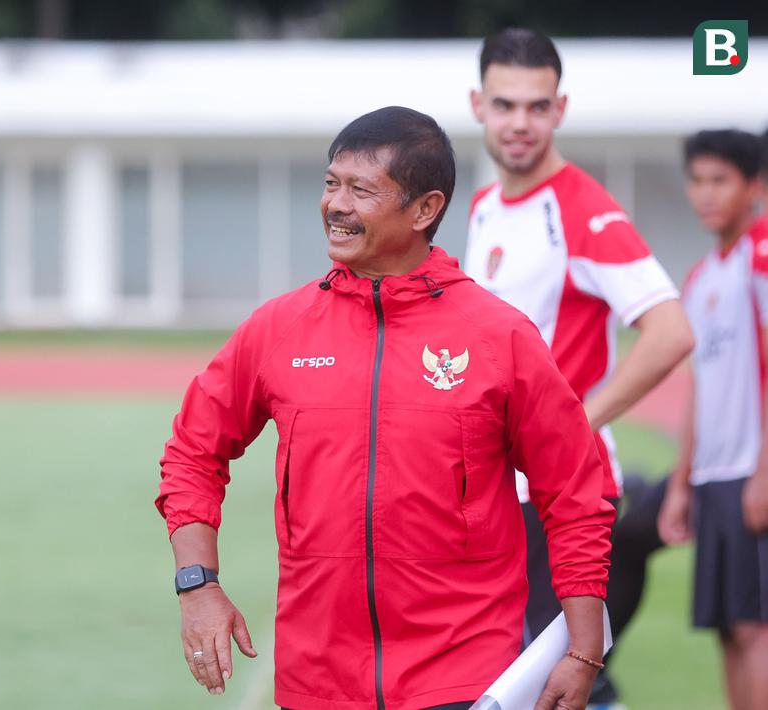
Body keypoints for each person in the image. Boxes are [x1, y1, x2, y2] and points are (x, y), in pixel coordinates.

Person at [156, 106, 616, 710]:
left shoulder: (498, 336)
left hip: (464, 678)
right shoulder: (279, 329)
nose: (336, 205)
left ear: (425, 209)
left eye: (362, 189)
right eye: (331, 183)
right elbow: (192, 451)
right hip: (317, 682)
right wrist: (198, 586)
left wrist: (584, 650)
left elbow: (574, 491)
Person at [463, 28, 694, 706]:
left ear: (559, 109)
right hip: (501, 493)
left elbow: (670, 332)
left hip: (562, 494)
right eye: (505, 105)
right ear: (477, 105)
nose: (520, 122)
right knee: (515, 677)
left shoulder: (582, 209)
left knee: (559, 686)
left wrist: (571, 423)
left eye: (537, 106)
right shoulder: (482, 207)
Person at [659, 129, 768, 710]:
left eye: (720, 180)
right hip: (713, 477)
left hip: (753, 469)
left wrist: (765, 471)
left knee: (756, 628)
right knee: (728, 627)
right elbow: (699, 390)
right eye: (697, 180)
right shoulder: (700, 277)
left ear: (755, 186)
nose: (706, 193)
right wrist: (682, 484)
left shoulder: (762, 253)